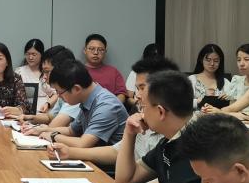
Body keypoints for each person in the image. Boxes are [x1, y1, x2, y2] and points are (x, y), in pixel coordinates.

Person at [50, 56, 181, 174]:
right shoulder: (144, 122)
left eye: (142, 88)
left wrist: (53, 136)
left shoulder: (107, 105)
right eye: (137, 89)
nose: (137, 96)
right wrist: (129, 133)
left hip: (109, 171)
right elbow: (116, 154)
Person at [115, 71, 218, 183]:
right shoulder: (168, 141)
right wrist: (129, 133)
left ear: (161, 112)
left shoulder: (202, 145)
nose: (140, 113)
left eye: (143, 107)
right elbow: (124, 180)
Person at [26, 60, 126, 147]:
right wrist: (43, 130)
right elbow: (71, 131)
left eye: (59, 92)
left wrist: (53, 136)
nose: (59, 96)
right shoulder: (88, 98)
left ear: (76, 89)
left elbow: (83, 144)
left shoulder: (106, 106)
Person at [14, 45, 76, 126]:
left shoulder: (74, 93)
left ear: (63, 69)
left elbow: (52, 127)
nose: (44, 77)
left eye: (47, 71)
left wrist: (33, 128)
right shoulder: (63, 92)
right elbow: (49, 117)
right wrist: (28, 118)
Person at [82, 33, 127, 103]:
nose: (96, 53)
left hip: (109, 107)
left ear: (105, 52)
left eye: (100, 50)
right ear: (85, 50)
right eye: (92, 49)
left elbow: (121, 94)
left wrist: (112, 107)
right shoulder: (78, 71)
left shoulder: (113, 72)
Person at [222, 43, 249, 110]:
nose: (241, 64)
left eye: (247, 59)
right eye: (239, 60)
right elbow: (231, 109)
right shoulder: (237, 80)